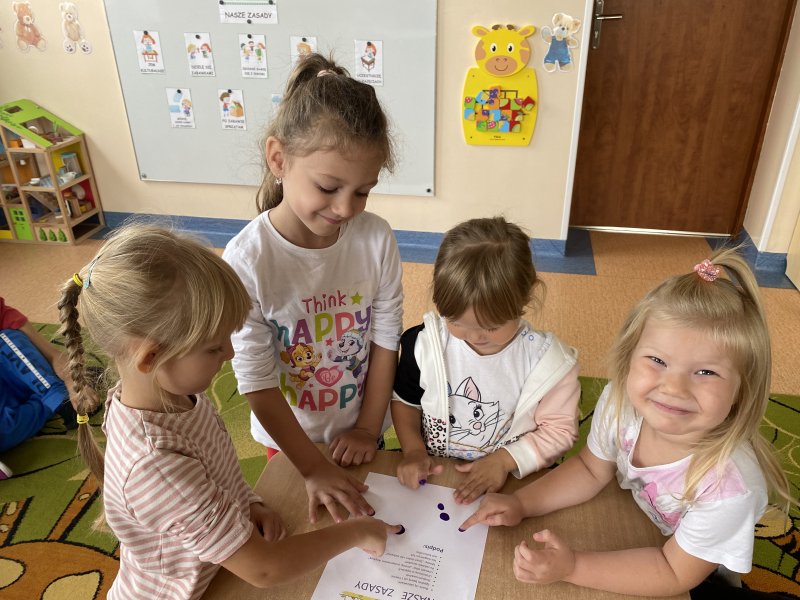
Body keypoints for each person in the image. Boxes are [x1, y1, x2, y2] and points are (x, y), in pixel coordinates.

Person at [58, 224, 400, 600]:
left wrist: (246, 504)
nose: (231, 353)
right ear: (151, 357)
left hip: (216, 568)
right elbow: (265, 568)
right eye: (213, 347)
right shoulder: (154, 464)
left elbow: (215, 472)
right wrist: (359, 531)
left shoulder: (179, 397)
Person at [460, 247, 796, 598]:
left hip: (697, 574)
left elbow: (673, 572)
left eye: (706, 372)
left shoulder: (729, 488)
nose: (673, 388)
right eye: (658, 361)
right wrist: (522, 503)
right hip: (642, 528)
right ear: (628, 358)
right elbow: (590, 470)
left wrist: (573, 567)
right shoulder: (621, 403)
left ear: (744, 389)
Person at [222, 53, 403, 524]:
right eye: (327, 187)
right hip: (290, 444)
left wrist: (367, 428)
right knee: (303, 533)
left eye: (362, 191)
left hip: (363, 429)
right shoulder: (247, 259)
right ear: (278, 159)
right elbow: (256, 379)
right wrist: (311, 466)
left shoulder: (376, 238)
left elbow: (386, 339)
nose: (345, 208)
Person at [392, 217, 581, 505]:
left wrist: (504, 461)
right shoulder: (424, 345)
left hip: (514, 477)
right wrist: (414, 451)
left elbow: (559, 431)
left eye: (492, 327)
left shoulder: (549, 363)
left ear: (525, 298)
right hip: (437, 471)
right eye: (456, 322)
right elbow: (406, 402)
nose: (474, 336)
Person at [0, 296, 90, 459]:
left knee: (4, 340)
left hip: (17, 368)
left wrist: (64, 370)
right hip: (9, 401)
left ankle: (58, 397)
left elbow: (5, 316)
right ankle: (48, 402)